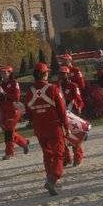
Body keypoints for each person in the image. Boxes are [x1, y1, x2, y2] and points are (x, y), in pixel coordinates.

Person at [20, 62, 71, 195]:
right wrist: (66, 126)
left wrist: (34, 120)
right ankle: (53, 179)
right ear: (44, 74)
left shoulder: (30, 92)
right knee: (59, 154)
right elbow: (62, 110)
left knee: (47, 154)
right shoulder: (53, 89)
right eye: (47, 72)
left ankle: (50, 178)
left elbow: (28, 112)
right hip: (54, 126)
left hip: (39, 128)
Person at [0, 65, 32, 159]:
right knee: (6, 131)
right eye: (1, 72)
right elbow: (2, 96)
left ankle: (9, 153)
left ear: (10, 73)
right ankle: (23, 142)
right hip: (4, 110)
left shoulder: (14, 83)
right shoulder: (2, 83)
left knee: (9, 131)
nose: (3, 74)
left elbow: (16, 97)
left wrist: (4, 93)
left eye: (5, 72)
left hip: (12, 110)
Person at [57, 53, 88, 167]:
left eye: (64, 74)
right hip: (62, 114)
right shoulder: (57, 87)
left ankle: (77, 157)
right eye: (60, 74)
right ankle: (66, 158)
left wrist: (78, 107)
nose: (62, 76)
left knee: (74, 136)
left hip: (72, 112)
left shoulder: (73, 85)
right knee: (62, 137)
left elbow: (79, 99)